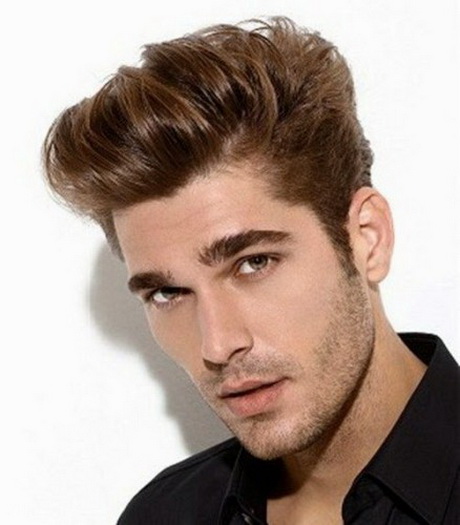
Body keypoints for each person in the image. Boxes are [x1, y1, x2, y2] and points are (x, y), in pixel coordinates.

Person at [43, 17, 458, 525]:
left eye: (253, 263)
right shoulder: (165, 514)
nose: (217, 346)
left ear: (366, 238)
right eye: (168, 293)